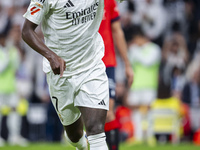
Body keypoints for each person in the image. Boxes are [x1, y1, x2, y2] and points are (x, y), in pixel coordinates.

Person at [22, 0, 109, 150]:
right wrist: (51, 56)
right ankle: (81, 146)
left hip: (91, 66)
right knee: (74, 135)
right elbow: (26, 31)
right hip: (61, 73)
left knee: (96, 130)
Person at [99, 0, 133, 149]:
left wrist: (127, 64)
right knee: (88, 117)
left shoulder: (109, 1)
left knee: (107, 113)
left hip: (106, 62)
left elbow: (117, 30)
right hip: (84, 63)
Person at [127, 26, 161, 144]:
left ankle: (150, 136)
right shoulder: (134, 50)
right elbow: (130, 62)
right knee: (135, 111)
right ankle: (138, 136)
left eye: (137, 39)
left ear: (142, 38)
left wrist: (135, 51)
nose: (135, 42)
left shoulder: (155, 49)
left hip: (149, 85)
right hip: (136, 85)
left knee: (149, 111)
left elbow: (148, 62)